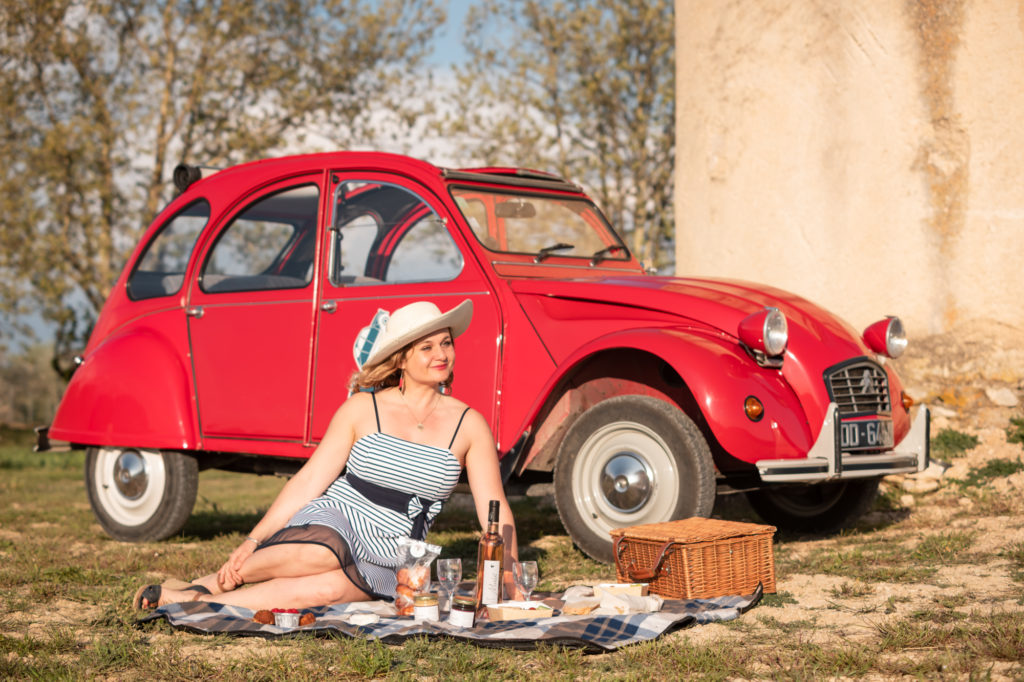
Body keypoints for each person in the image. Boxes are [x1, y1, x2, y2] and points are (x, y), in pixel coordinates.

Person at [134, 299, 520, 610]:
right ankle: (215, 585)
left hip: (399, 549)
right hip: (337, 518)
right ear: (401, 358)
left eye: (446, 343)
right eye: (427, 346)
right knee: (324, 553)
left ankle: (199, 599)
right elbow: (309, 481)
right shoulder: (361, 409)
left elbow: (495, 504)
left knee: (327, 591)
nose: (442, 354)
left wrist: (509, 575)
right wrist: (253, 540)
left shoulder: (469, 425)